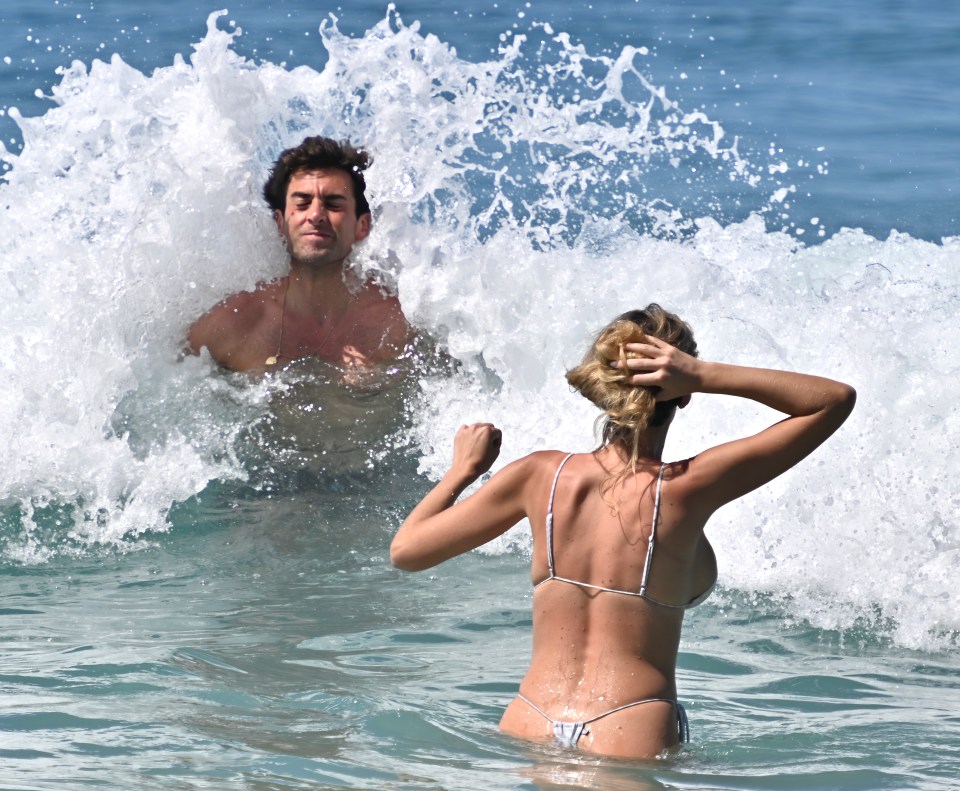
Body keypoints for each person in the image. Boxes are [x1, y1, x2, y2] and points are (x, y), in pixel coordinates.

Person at [390, 304, 856, 759]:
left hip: (530, 715)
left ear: (602, 384)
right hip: (629, 724)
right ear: (682, 391)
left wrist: (462, 470)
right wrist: (704, 374)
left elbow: (407, 551)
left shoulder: (539, 477)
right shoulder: (689, 487)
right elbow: (833, 400)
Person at [187, 136, 411, 373]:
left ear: (362, 226)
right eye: (302, 204)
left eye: (333, 204)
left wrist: (374, 392)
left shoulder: (398, 326)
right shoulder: (233, 325)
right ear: (280, 223)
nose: (315, 215)